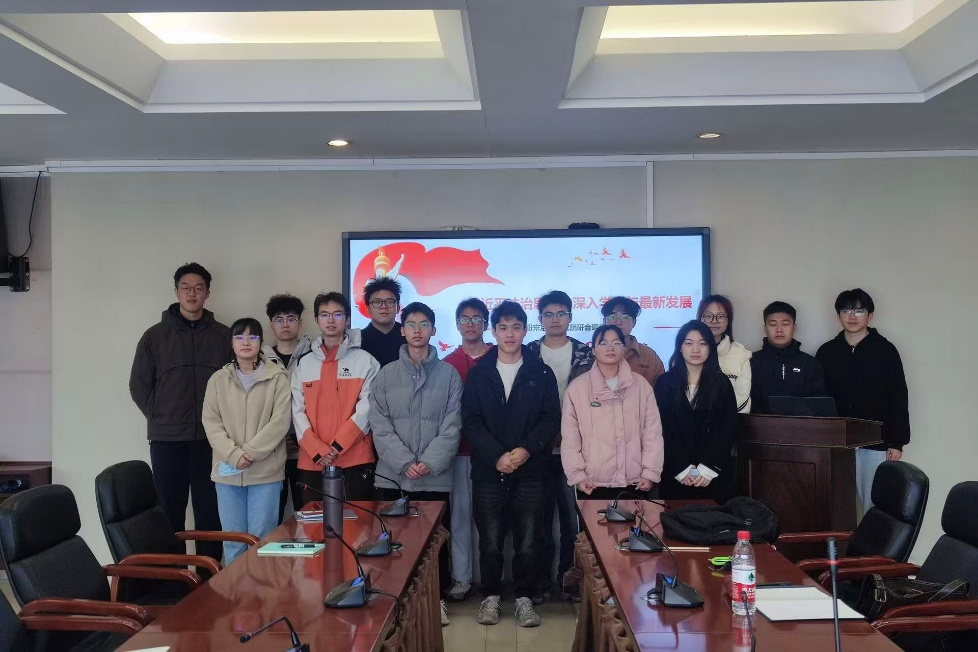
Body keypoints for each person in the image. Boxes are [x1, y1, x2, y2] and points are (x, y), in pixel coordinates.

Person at [462, 300, 560, 628]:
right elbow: (471, 421)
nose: (509, 334)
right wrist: (497, 456)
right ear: (493, 331)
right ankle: (490, 596)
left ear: (525, 330)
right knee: (490, 540)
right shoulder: (480, 374)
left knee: (529, 540)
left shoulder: (540, 372)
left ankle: (524, 598)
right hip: (489, 471)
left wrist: (527, 450)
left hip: (531, 470)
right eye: (503, 327)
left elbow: (550, 419)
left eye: (516, 327)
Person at [369, 302, 462, 627]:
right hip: (392, 476)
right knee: (393, 543)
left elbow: (453, 425)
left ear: (433, 330)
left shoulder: (449, 374)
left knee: (435, 541)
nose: (418, 330)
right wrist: (405, 461)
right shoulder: (385, 375)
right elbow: (379, 425)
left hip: (434, 476)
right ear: (403, 330)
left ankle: (436, 600)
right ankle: (395, 601)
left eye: (424, 324)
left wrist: (427, 463)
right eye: (411, 324)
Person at [129, 262, 229, 562]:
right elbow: (138, 385)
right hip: (167, 440)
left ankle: (209, 578)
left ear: (208, 293)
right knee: (168, 512)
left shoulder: (224, 336)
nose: (192, 293)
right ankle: (173, 580)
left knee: (210, 513)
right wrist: (161, 417)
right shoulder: (154, 336)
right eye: (185, 288)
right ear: (176, 292)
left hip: (212, 440)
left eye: (198, 288)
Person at [202, 318, 291, 564]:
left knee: (262, 541)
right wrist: (234, 455)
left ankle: (261, 589)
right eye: (239, 337)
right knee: (233, 541)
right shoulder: (218, 380)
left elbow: (280, 422)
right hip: (228, 473)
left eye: (252, 337)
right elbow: (211, 423)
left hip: (266, 473)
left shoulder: (278, 378)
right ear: (231, 343)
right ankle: (236, 590)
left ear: (261, 342)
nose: (246, 342)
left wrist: (250, 452)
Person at [816, 289, 910, 513]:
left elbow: (898, 396)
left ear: (870, 316)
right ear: (838, 316)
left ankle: (873, 540)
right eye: (846, 310)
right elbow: (817, 397)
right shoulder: (827, 352)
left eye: (859, 311)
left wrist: (897, 442)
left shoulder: (886, 351)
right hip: (834, 444)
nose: (852, 316)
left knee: (873, 506)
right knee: (833, 507)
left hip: (875, 443)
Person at [525, 290, 592, 603]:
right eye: (548, 314)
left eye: (561, 313)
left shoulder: (585, 354)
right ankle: (538, 583)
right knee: (537, 521)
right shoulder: (528, 353)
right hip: (536, 452)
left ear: (570, 317)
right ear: (540, 319)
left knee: (571, 522)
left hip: (574, 452)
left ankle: (569, 580)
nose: (555, 319)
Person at [292, 292, 380, 503]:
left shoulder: (365, 361)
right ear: (317, 320)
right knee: (315, 522)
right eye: (324, 315)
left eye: (337, 314)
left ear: (347, 319)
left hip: (355, 460)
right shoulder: (304, 364)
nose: (331, 320)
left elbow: (367, 409)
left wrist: (337, 446)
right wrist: (317, 449)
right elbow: (297, 411)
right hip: (313, 461)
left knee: (358, 520)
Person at [561, 325, 663, 501]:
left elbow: (652, 433)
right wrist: (577, 476)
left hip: (636, 481)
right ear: (593, 350)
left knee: (636, 520)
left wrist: (650, 472)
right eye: (603, 343)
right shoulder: (577, 388)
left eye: (616, 343)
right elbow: (570, 438)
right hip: (592, 483)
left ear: (624, 348)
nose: (610, 348)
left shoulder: (641, 385)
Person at [443, 298, 493, 603]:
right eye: (464, 319)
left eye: (476, 319)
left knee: (493, 521)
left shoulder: (501, 357)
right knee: (460, 518)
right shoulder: (447, 363)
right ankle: (462, 578)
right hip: (459, 452)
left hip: (495, 455)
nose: (470, 324)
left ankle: (492, 580)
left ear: (486, 324)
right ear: (457, 324)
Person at [654, 320, 738, 502]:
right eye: (689, 343)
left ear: (710, 348)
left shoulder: (722, 383)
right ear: (680, 347)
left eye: (702, 343)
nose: (695, 350)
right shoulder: (664, 383)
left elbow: (727, 428)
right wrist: (680, 468)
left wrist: (708, 469)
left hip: (713, 475)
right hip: (675, 473)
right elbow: (661, 429)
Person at [261, 294, 313, 522]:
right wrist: (277, 437)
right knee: (271, 516)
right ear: (270, 325)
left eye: (291, 319)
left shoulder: (314, 355)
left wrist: (300, 435)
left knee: (308, 513)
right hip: (272, 450)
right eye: (279, 319)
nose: (285, 324)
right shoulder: (260, 361)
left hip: (307, 449)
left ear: (300, 323)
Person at [750, 301, 826, 414]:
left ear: (794, 328)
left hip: (800, 424)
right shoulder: (751, 362)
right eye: (773, 324)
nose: (779, 329)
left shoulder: (810, 364)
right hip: (758, 424)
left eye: (785, 324)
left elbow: (819, 405)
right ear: (765, 329)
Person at [698, 295, 751, 413]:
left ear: (728, 320)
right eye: (708, 316)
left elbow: (741, 398)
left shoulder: (741, 354)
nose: (714, 321)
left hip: (730, 420)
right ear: (700, 318)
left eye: (721, 316)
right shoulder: (688, 351)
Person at [600, 296, 665, 387]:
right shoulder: (592, 355)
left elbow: (661, 390)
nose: (618, 322)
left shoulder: (649, 356)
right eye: (613, 316)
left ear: (634, 322)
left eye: (625, 317)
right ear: (604, 321)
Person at [358, 277, 407, 368]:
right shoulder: (358, 340)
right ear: (368, 309)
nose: (383, 306)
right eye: (377, 302)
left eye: (389, 302)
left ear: (398, 308)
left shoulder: (409, 336)